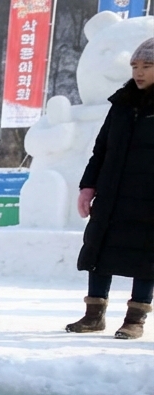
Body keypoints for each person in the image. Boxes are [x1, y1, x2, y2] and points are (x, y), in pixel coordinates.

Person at [66, 37, 154, 340]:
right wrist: (87, 186)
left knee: (147, 257)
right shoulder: (121, 104)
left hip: (148, 199)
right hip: (112, 193)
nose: (139, 72)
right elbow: (101, 150)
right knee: (98, 250)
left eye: (147, 66)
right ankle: (94, 315)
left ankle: (136, 318)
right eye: (135, 66)